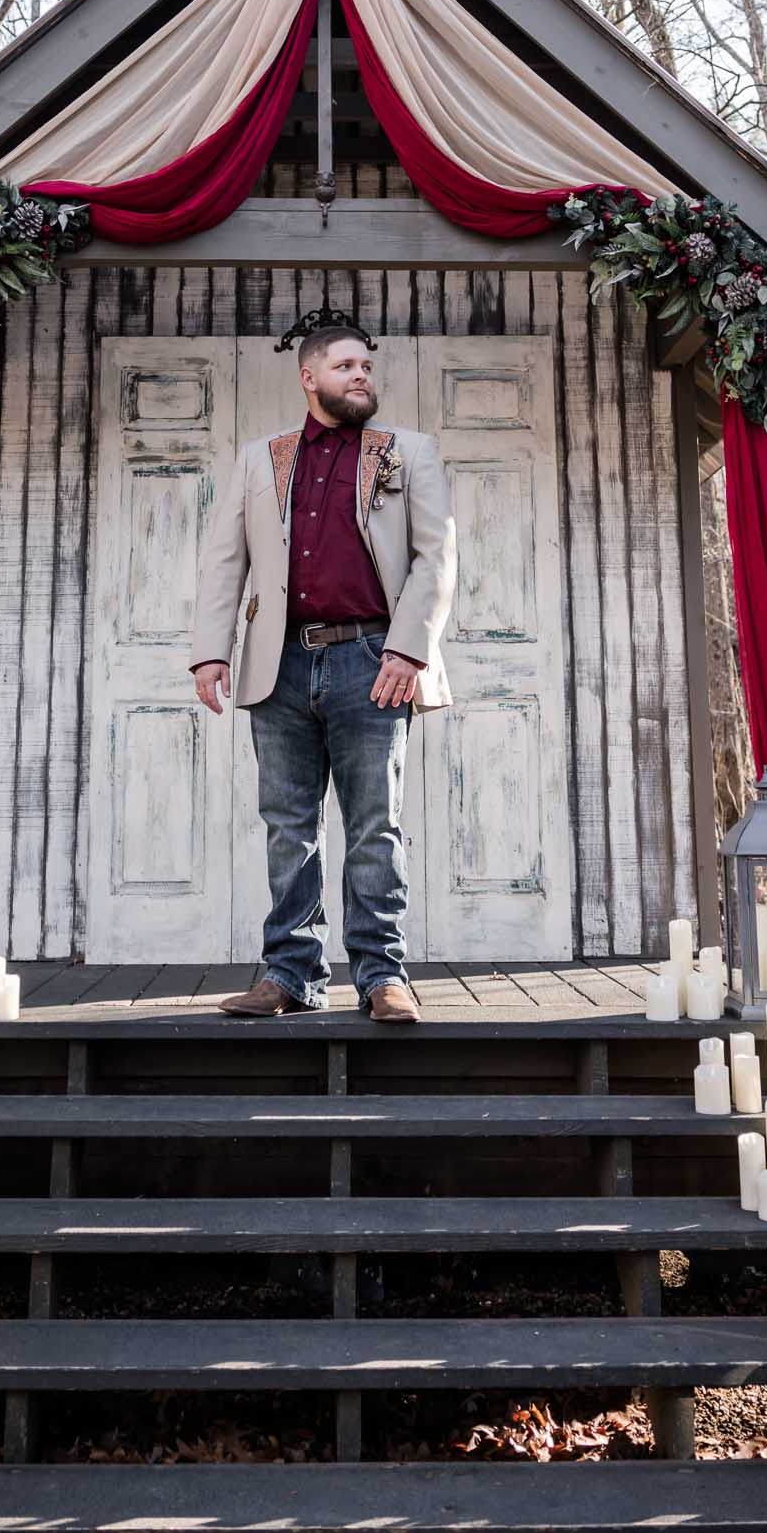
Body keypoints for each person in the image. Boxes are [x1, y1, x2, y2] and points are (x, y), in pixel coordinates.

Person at [189, 323, 457, 1022]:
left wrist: (408, 648)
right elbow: (226, 560)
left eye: (366, 365)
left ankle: (381, 977)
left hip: (373, 660)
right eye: (345, 365)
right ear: (310, 377)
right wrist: (210, 650)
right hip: (277, 663)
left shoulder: (408, 453)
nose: (361, 375)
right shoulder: (261, 459)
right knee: (288, 826)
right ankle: (288, 974)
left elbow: (436, 557)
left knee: (375, 825)